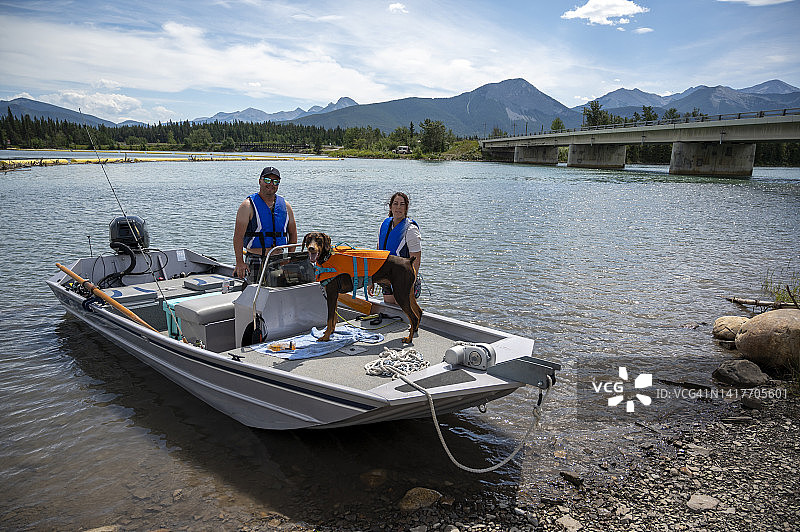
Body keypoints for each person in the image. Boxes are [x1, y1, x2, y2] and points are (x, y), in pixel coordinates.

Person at [233, 167, 297, 283]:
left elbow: (292, 234)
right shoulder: (247, 206)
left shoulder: (286, 206)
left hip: (279, 259)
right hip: (256, 259)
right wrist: (240, 262)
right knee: (255, 296)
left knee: (280, 295)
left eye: (275, 181)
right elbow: (238, 237)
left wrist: (290, 258)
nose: (271, 184)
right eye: (267, 180)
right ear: (260, 181)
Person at [370, 191, 421, 304]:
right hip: (387, 278)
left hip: (403, 278)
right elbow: (378, 255)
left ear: (406, 208)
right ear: (390, 206)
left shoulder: (411, 230)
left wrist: (410, 284)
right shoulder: (384, 226)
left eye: (402, 204)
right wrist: (371, 280)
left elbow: (416, 260)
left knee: (403, 308)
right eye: (395, 204)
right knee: (390, 308)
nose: (398, 207)